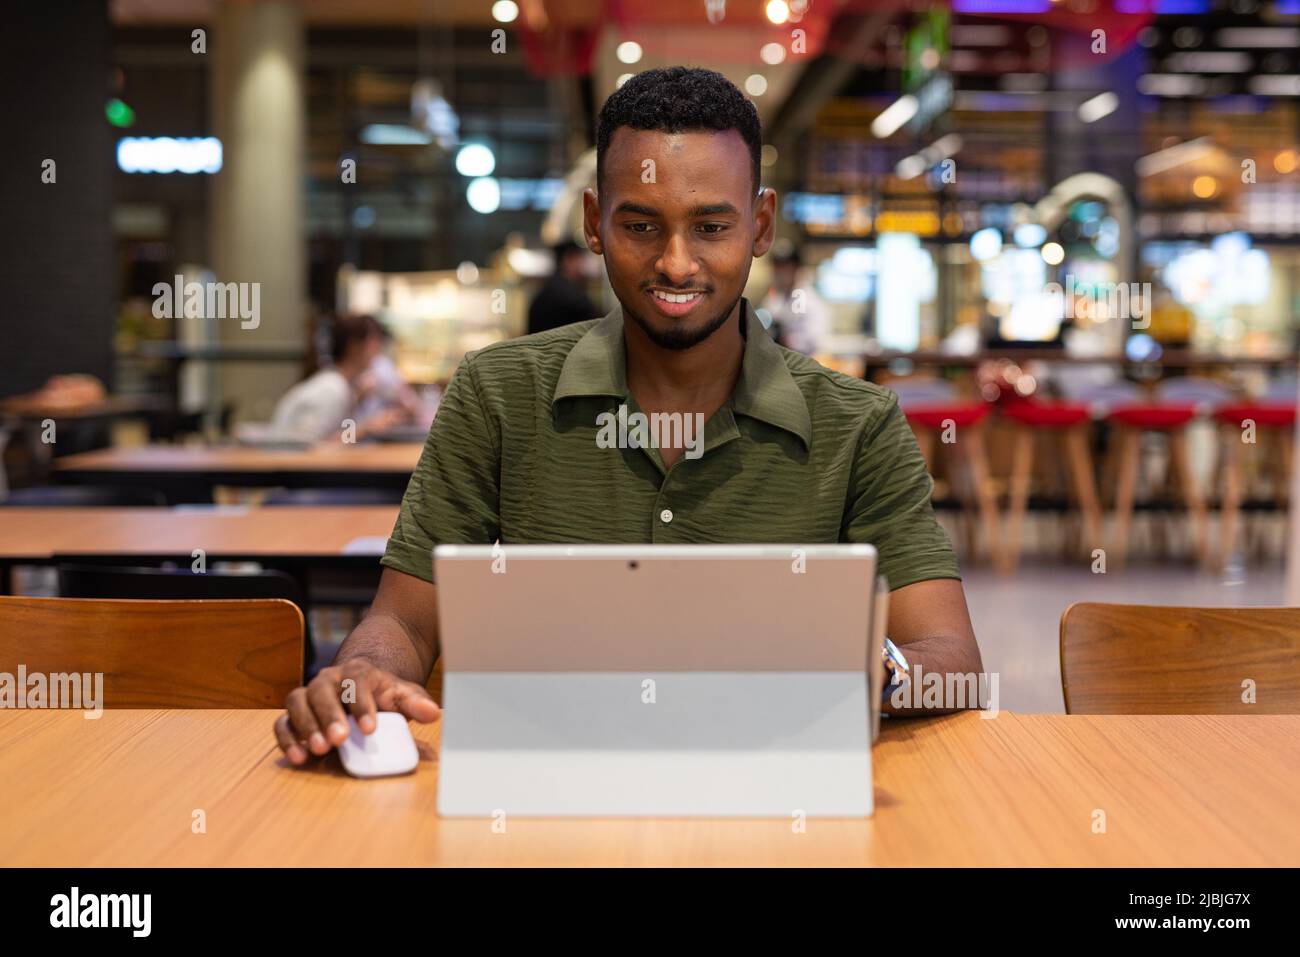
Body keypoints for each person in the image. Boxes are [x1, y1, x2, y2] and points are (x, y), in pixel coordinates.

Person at [274, 67, 984, 764]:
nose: (677, 264)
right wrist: (364, 668)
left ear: (761, 224)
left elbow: (953, 660)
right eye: (642, 225)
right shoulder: (497, 392)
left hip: (776, 795)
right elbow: (401, 618)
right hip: (537, 792)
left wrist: (878, 668)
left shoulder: (858, 424)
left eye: (711, 226)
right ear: (594, 222)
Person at [268, 314, 407, 442]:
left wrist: (357, 400)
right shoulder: (332, 388)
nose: (379, 348)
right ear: (354, 346)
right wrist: (365, 428)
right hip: (289, 466)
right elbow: (309, 448)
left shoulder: (341, 384)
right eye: (375, 341)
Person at [761, 244, 831, 356]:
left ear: (796, 268)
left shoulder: (809, 300)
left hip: (803, 365)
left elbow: (816, 341)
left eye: (785, 266)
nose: (780, 272)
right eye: (777, 266)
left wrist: (787, 340)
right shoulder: (775, 297)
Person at [526, 240, 599, 335]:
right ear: (569, 259)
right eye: (579, 258)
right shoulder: (574, 297)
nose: (582, 264)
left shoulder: (543, 293)